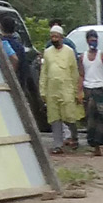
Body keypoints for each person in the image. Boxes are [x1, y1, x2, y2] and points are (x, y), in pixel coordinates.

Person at [39, 25, 81, 153]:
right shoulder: (47, 52)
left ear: (61, 37)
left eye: (56, 36)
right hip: (52, 90)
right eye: (52, 36)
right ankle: (58, 145)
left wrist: (77, 91)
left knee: (69, 116)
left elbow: (74, 71)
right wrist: (42, 90)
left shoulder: (69, 52)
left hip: (67, 88)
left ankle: (74, 137)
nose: (54, 39)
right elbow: (44, 73)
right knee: (54, 118)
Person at [79, 30, 103, 154]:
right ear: (87, 41)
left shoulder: (102, 55)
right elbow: (82, 75)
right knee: (91, 119)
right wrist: (80, 92)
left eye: (95, 40)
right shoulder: (83, 57)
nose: (93, 42)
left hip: (100, 89)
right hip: (88, 90)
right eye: (91, 40)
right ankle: (95, 146)